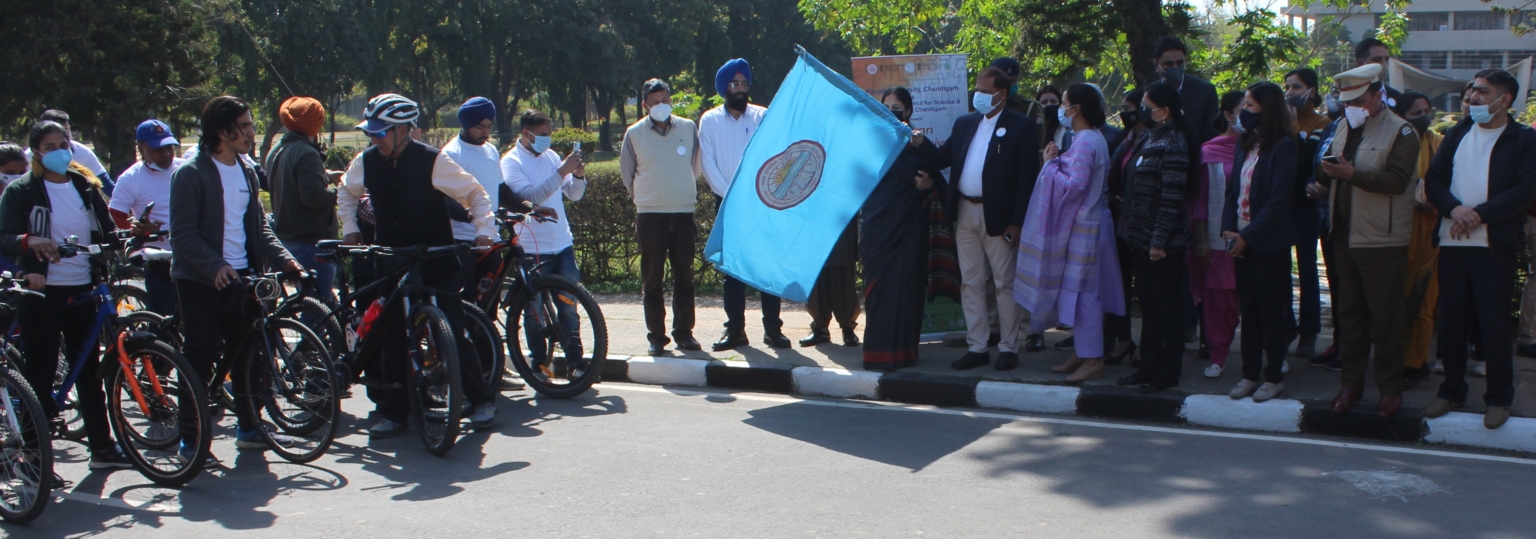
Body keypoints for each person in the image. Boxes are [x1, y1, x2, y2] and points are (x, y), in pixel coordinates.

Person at [337, 93, 500, 436]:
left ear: (403, 131)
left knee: (454, 329)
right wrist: (350, 228)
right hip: (391, 258)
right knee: (393, 334)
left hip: (435, 255)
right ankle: (396, 411)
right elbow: (345, 191)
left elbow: (475, 194)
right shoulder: (366, 160)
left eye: (381, 133)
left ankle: (481, 399)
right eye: (372, 133)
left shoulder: (432, 159)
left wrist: (484, 230)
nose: (375, 140)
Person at [169, 96, 304, 460]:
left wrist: (288, 262)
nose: (250, 133)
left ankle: (249, 428)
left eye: (250, 125)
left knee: (250, 355)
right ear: (221, 131)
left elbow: (260, 226)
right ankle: (191, 439)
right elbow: (182, 235)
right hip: (200, 280)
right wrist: (214, 266)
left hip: (244, 278)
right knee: (199, 354)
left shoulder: (246, 171)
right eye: (243, 126)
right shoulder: (190, 174)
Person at [0, 120, 132, 469]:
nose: (59, 151)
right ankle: (33, 458)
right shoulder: (22, 191)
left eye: (64, 144)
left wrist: (132, 234)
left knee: (88, 372)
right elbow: (5, 235)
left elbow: (106, 229)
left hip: (82, 289)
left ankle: (102, 450)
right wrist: (29, 244)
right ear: (37, 153)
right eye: (50, 146)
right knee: (39, 375)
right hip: (40, 292)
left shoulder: (83, 186)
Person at [1422, 68, 1536, 430]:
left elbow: (1525, 189)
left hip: (1494, 246)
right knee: (1452, 321)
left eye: (1482, 93)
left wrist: (1479, 215)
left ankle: (1499, 398)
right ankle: (1451, 390)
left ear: (1504, 100)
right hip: (1453, 242)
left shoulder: (1523, 139)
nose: (1472, 99)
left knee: (1494, 324)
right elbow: (1435, 179)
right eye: (1471, 92)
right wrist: (1454, 209)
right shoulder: (1458, 132)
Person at [1310, 64, 1419, 417]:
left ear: (1376, 94)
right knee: (1350, 316)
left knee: (1385, 319)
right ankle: (1350, 386)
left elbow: (1397, 181)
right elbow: (1330, 166)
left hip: (1380, 239)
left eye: (1358, 99)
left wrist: (1351, 173)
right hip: (1342, 235)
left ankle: (1390, 391)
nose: (1352, 106)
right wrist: (1326, 177)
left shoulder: (1401, 131)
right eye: (1347, 101)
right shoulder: (1343, 125)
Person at [926, 66, 1040, 371]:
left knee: (1006, 283)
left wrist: (1017, 222)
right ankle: (977, 346)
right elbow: (941, 158)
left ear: (1002, 95)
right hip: (965, 211)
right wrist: (916, 140)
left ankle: (1008, 346)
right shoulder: (965, 123)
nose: (978, 96)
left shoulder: (1021, 126)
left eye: (985, 92)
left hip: (1000, 215)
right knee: (971, 282)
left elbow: (1026, 179)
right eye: (976, 90)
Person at [1016, 83, 1125, 382]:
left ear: (1075, 109)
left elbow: (1075, 185)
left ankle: (1093, 359)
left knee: (1086, 294)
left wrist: (1050, 166)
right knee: (1078, 293)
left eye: (1063, 102)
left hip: (1088, 226)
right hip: (1087, 225)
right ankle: (1082, 351)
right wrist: (1057, 161)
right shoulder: (1087, 138)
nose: (1060, 109)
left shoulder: (1088, 141)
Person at [698, 59, 791, 350]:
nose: (740, 89)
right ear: (723, 88)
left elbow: (777, 157)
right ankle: (735, 330)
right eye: (734, 84)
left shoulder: (763, 116)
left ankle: (773, 330)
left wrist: (757, 197)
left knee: (767, 268)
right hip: (727, 204)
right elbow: (708, 165)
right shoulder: (710, 120)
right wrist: (734, 199)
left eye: (744, 84)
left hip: (763, 203)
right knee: (733, 271)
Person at [1114, 82, 1195, 394]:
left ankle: (1168, 371)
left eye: (1148, 105)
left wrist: (1159, 241)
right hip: (1138, 236)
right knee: (1148, 307)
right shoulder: (1148, 136)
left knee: (1167, 310)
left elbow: (1171, 199)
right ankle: (1147, 366)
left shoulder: (1174, 143)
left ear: (1165, 111)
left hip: (1162, 244)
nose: (1142, 110)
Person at [1223, 81, 1299, 402]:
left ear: (1267, 109)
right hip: (1239, 238)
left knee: (1271, 311)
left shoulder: (1283, 146)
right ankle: (1249, 374)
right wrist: (1229, 230)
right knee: (1249, 311)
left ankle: (1273, 375)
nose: (1244, 113)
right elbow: (1233, 192)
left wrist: (1248, 237)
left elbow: (1279, 200)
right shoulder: (1245, 143)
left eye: (1250, 107)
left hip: (1268, 242)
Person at [861, 88, 943, 370]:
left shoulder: (916, 143)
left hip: (909, 227)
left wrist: (928, 184)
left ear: (908, 111)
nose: (892, 111)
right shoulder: (870, 142)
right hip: (877, 227)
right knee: (879, 290)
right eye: (886, 107)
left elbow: (940, 171)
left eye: (897, 107)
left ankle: (906, 352)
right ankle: (876, 353)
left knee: (906, 287)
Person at [620, 79, 703, 356]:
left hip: (682, 213)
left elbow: (695, 165)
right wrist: (647, 197)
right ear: (644, 105)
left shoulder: (688, 128)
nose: (661, 106)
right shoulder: (633, 134)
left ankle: (684, 333)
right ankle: (657, 337)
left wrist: (679, 190)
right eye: (654, 102)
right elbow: (627, 174)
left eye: (665, 100)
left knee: (685, 277)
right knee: (652, 280)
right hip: (650, 216)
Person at [502, 108, 588, 362]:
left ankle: (576, 362)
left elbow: (573, 194)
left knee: (569, 308)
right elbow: (529, 198)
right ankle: (539, 365)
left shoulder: (550, 156)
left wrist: (578, 175)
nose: (547, 139)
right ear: (526, 133)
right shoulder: (511, 162)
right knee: (534, 311)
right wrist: (562, 171)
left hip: (562, 245)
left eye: (549, 134)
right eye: (542, 134)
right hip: (532, 249)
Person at [1189, 91, 1244, 379]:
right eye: (1242, 108)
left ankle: (1268, 355)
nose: (1248, 114)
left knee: (1258, 298)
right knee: (1219, 302)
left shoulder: (1257, 148)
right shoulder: (1209, 151)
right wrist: (1201, 241)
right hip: (1216, 239)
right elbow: (1200, 200)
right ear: (1227, 114)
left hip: (1251, 237)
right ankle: (1217, 355)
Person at [266, 96, 339, 305]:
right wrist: (343, 190)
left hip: (287, 239)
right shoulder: (308, 153)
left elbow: (293, 183)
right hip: (311, 244)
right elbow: (313, 197)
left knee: (316, 305)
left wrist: (325, 175)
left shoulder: (277, 149)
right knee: (316, 314)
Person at [1392, 91, 1444, 383]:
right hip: (1400, 230)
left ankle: (1416, 361)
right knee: (1398, 297)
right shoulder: (1396, 142)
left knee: (1424, 298)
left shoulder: (1438, 143)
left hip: (1431, 231)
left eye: (1427, 110)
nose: (1424, 117)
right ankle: (1395, 358)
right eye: (1416, 113)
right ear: (1402, 116)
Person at [446, 97, 520, 296]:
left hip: (490, 238)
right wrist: (473, 217)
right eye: (480, 127)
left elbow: (500, 190)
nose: (486, 132)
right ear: (466, 124)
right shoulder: (452, 154)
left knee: (489, 300)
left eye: (489, 126)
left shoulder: (491, 150)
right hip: (463, 240)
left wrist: (530, 206)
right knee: (467, 302)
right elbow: (446, 200)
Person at [108, 119, 184, 315]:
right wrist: (139, 228)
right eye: (158, 149)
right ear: (141, 148)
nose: (166, 154)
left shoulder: (186, 170)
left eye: (169, 147)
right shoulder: (131, 178)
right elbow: (117, 215)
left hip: (191, 254)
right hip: (158, 260)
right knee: (162, 314)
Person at [1284, 67, 1329, 358]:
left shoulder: (1323, 124)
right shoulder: (1279, 122)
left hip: (1306, 205)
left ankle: (1309, 331)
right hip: (1280, 205)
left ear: (1312, 91)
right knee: (1279, 270)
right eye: (1287, 87)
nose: (1290, 93)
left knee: (1307, 269)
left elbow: (1304, 163)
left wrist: (1290, 132)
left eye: (1297, 87)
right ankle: (1284, 328)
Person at [1102, 89, 1147, 366]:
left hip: (1143, 224)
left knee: (1145, 288)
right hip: (1119, 220)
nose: (1124, 112)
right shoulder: (1125, 138)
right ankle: (1122, 340)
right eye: (1122, 107)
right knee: (1118, 284)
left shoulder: (1156, 139)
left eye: (1129, 107)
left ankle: (1150, 344)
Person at [1153, 36, 1221, 148]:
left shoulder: (1204, 91)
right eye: (1169, 64)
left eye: (1179, 63)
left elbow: (1211, 135)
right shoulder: (1148, 94)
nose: (1175, 68)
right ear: (1157, 65)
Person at [25, 109, 113, 194]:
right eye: (50, 147)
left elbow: (105, 182)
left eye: (66, 130)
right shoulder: (27, 158)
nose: (62, 134)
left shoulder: (82, 151)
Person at [1354, 38, 1403, 105]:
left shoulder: (1398, 98)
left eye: (1386, 59)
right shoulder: (1348, 97)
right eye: (1377, 59)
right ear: (1361, 63)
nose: (1384, 64)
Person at [1037, 86, 1068, 150]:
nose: (1049, 105)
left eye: (1053, 102)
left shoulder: (1067, 126)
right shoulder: (1034, 127)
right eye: (1044, 102)